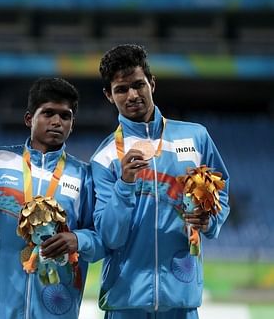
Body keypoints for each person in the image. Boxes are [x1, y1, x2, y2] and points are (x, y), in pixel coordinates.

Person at [90, 44, 230, 319]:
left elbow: (220, 191)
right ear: (109, 95)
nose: (132, 95)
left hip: (181, 299)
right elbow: (109, 236)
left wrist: (210, 219)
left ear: (152, 84)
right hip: (125, 301)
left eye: (138, 84)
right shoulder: (105, 157)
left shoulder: (195, 138)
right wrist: (125, 184)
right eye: (121, 89)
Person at [0, 77, 105, 318]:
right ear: (29, 118)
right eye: (48, 113)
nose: (57, 122)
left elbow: (101, 241)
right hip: (0, 310)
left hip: (57, 308)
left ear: (72, 124)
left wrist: (78, 240)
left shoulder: (84, 176)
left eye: (65, 116)